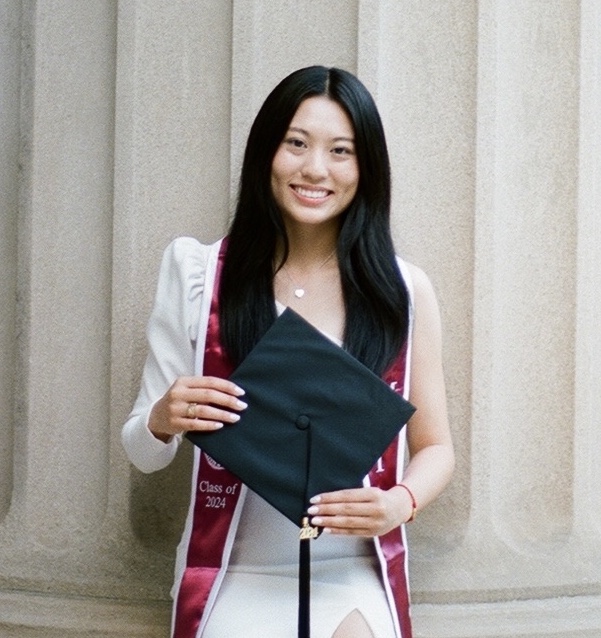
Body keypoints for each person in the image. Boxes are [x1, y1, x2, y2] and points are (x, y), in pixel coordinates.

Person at [122, 65, 454, 638]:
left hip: (350, 570)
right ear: (265, 153)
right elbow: (143, 454)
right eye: (295, 143)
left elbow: (437, 447)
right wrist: (160, 419)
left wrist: (400, 503)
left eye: (341, 151)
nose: (315, 169)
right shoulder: (201, 275)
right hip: (233, 569)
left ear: (366, 168)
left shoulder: (402, 291)